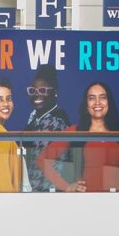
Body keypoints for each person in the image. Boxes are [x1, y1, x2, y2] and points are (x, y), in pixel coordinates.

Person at [36, 82, 119, 192]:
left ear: (109, 102)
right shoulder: (75, 131)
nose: (97, 103)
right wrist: (66, 187)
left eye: (102, 98)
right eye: (92, 98)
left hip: (117, 201)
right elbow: (42, 160)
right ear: (86, 104)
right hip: (85, 200)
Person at [23, 64, 72, 192]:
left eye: (43, 90)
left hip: (47, 193)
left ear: (54, 92)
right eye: (33, 91)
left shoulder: (55, 123)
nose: (37, 95)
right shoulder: (35, 118)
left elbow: (40, 167)